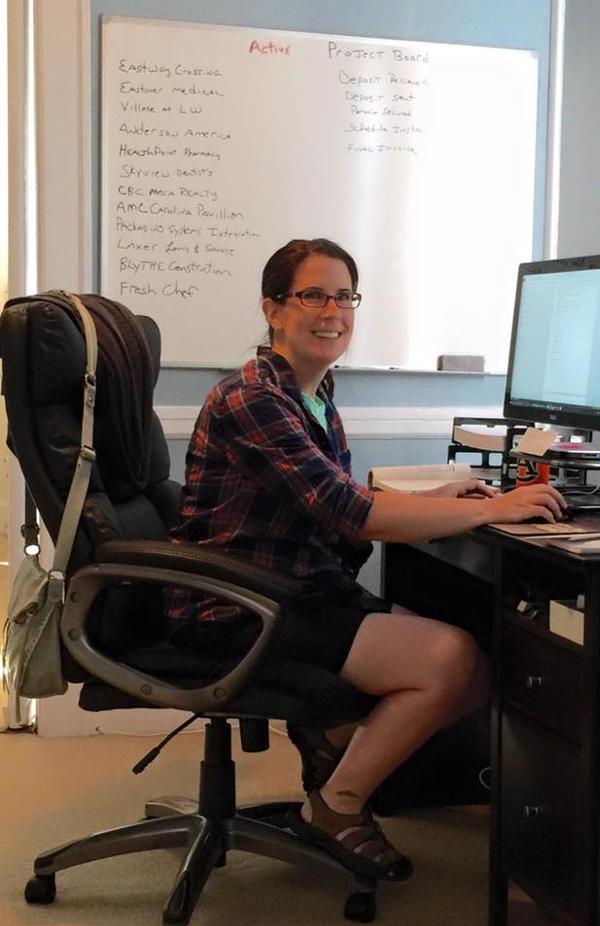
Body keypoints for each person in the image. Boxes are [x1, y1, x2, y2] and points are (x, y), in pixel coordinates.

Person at [171, 238, 566, 882]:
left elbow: (336, 500)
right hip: (242, 606)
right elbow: (352, 513)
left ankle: (333, 743)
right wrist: (493, 510)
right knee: (449, 660)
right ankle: (337, 803)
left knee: (479, 668)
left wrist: (435, 502)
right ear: (273, 309)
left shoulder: (312, 393)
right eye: (313, 296)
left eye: (345, 297)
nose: (333, 312)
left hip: (298, 590)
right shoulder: (252, 400)